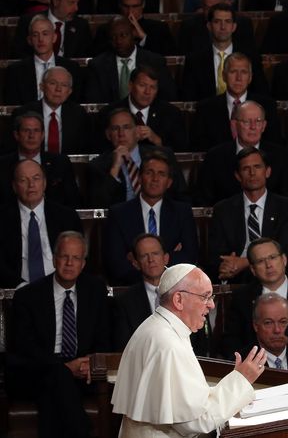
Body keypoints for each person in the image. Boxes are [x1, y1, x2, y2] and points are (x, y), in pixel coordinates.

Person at [111, 263, 268, 436]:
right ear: (178, 300)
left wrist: (234, 380)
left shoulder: (157, 327)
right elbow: (197, 421)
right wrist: (242, 380)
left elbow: (191, 402)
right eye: (205, 297)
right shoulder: (168, 343)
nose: (211, 305)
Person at [7, 231, 111, 437]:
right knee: (57, 378)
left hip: (82, 372)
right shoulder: (28, 296)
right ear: (54, 259)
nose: (69, 263)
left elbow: (104, 337)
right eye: (64, 257)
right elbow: (25, 348)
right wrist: (63, 368)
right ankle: (83, 432)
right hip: (38, 370)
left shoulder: (96, 291)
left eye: (76, 258)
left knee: (55, 388)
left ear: (83, 263)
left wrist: (89, 362)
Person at [102, 151, 199, 286]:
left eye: (161, 174)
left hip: (173, 286)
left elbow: (189, 255)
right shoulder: (118, 213)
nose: (155, 179)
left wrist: (142, 262)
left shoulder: (182, 212)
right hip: (133, 288)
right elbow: (115, 262)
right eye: (149, 172)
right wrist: (166, 258)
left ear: (169, 182)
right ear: (140, 178)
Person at [207, 147, 288, 284]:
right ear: (238, 176)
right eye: (246, 169)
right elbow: (216, 254)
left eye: (257, 167)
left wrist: (245, 263)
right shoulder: (223, 209)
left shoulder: (287, 208)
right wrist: (227, 265)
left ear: (267, 171)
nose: (252, 173)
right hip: (237, 276)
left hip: (276, 273)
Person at [223, 237, 288, 359]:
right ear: (253, 270)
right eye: (261, 261)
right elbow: (231, 343)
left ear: (284, 259)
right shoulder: (242, 298)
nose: (268, 265)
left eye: (272, 258)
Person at [112, 234, 212, 356]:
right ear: (136, 263)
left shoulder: (191, 293)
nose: (151, 260)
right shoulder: (125, 302)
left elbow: (204, 345)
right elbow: (123, 348)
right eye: (144, 255)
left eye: (155, 253)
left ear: (166, 258)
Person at [193, 99, 288, 206]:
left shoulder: (281, 156)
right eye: (247, 121)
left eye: (258, 121)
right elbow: (203, 200)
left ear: (264, 126)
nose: (253, 127)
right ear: (234, 125)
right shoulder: (215, 157)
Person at [0, 159, 81, 288]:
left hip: (60, 288)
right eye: (23, 180)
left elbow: (78, 258)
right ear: (14, 187)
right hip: (17, 290)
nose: (31, 185)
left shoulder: (67, 216)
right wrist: (20, 287)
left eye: (36, 178)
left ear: (44, 183)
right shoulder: (3, 218)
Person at [87, 108, 188, 208]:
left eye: (126, 127)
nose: (121, 134)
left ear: (137, 131)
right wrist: (115, 168)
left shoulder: (164, 155)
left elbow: (182, 197)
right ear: (108, 135)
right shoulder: (97, 166)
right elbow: (98, 206)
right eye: (115, 128)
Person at [190, 53, 283, 152]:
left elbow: (274, 145)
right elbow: (198, 147)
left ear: (250, 77)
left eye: (243, 72)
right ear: (223, 76)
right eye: (233, 72)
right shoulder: (205, 108)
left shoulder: (267, 106)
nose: (238, 78)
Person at [181, 2, 267, 101]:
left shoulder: (251, 57)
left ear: (234, 27)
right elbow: (188, 98)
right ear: (209, 26)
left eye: (227, 21)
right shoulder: (194, 60)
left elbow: (262, 94)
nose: (223, 27)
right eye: (217, 21)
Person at [84, 15, 177, 103]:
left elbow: (168, 97)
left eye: (123, 35)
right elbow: (93, 101)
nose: (118, 41)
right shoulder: (97, 65)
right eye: (113, 37)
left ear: (133, 33)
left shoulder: (155, 62)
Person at [96, 65, 188, 151]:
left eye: (152, 87)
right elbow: (99, 149)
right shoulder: (108, 113)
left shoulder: (171, 113)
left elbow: (181, 151)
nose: (147, 92)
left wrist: (158, 141)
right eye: (142, 85)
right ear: (130, 86)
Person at [0, 111, 79, 208]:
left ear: (42, 135)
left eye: (36, 130)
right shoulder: (3, 165)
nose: (31, 136)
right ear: (17, 135)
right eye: (26, 130)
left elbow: (73, 201)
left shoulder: (61, 163)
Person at [3, 14, 83, 105]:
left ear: (54, 37)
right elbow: (13, 107)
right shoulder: (15, 71)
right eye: (35, 35)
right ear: (29, 40)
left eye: (45, 34)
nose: (40, 39)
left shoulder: (72, 68)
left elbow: (75, 105)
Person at [10, 66, 91, 155]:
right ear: (42, 87)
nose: (58, 89)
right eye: (53, 83)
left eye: (64, 85)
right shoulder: (23, 113)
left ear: (69, 91)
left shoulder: (79, 114)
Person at [90, 0, 176, 56]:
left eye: (135, 6)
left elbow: (166, 59)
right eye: (126, 6)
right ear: (120, 5)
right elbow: (99, 58)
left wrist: (144, 38)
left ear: (143, 4)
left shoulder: (159, 29)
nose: (130, 11)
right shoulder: (105, 29)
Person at [12, 0, 91, 58]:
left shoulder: (81, 26)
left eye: (77, 3)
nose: (76, 8)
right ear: (55, 1)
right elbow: (19, 55)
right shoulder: (28, 21)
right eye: (71, 3)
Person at [177, 0, 256, 56]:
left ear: (226, 5)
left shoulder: (243, 25)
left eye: (217, 7)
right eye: (208, 8)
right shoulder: (189, 27)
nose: (213, 13)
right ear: (202, 7)